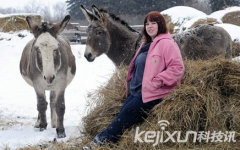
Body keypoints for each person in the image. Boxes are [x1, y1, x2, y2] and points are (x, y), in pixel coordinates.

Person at [82, 11, 185, 150]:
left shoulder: (167, 44)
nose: (149, 26)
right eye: (147, 24)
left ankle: (99, 142)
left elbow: (177, 68)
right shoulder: (145, 44)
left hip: (155, 93)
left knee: (125, 115)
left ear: (160, 25)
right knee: (122, 114)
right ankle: (112, 142)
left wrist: (157, 81)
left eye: (153, 23)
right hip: (140, 91)